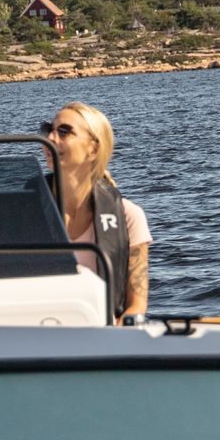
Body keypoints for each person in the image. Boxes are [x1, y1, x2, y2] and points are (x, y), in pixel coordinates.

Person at [44, 101, 151, 320]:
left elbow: (136, 305)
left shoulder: (129, 216)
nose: (50, 139)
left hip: (102, 334)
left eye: (64, 132)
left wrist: (113, 335)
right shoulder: (24, 211)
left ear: (93, 149)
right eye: (48, 130)